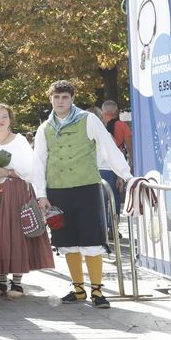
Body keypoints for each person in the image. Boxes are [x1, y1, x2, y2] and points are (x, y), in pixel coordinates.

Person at [34, 80, 132, 308]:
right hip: (57, 190)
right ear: (50, 99)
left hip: (86, 188)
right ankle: (78, 289)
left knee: (91, 239)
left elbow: (109, 148)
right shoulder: (44, 128)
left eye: (65, 97)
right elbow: (39, 161)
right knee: (66, 241)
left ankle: (97, 291)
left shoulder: (88, 120)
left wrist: (126, 175)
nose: (60, 101)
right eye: (56, 97)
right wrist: (41, 194)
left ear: (72, 98)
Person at [0, 103, 54, 298]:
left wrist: (7, 172)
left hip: (14, 191)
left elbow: (30, 168)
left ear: (10, 120)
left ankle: (17, 283)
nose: (1, 120)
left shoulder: (18, 141)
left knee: (15, 232)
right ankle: (1, 281)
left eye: (5, 117)